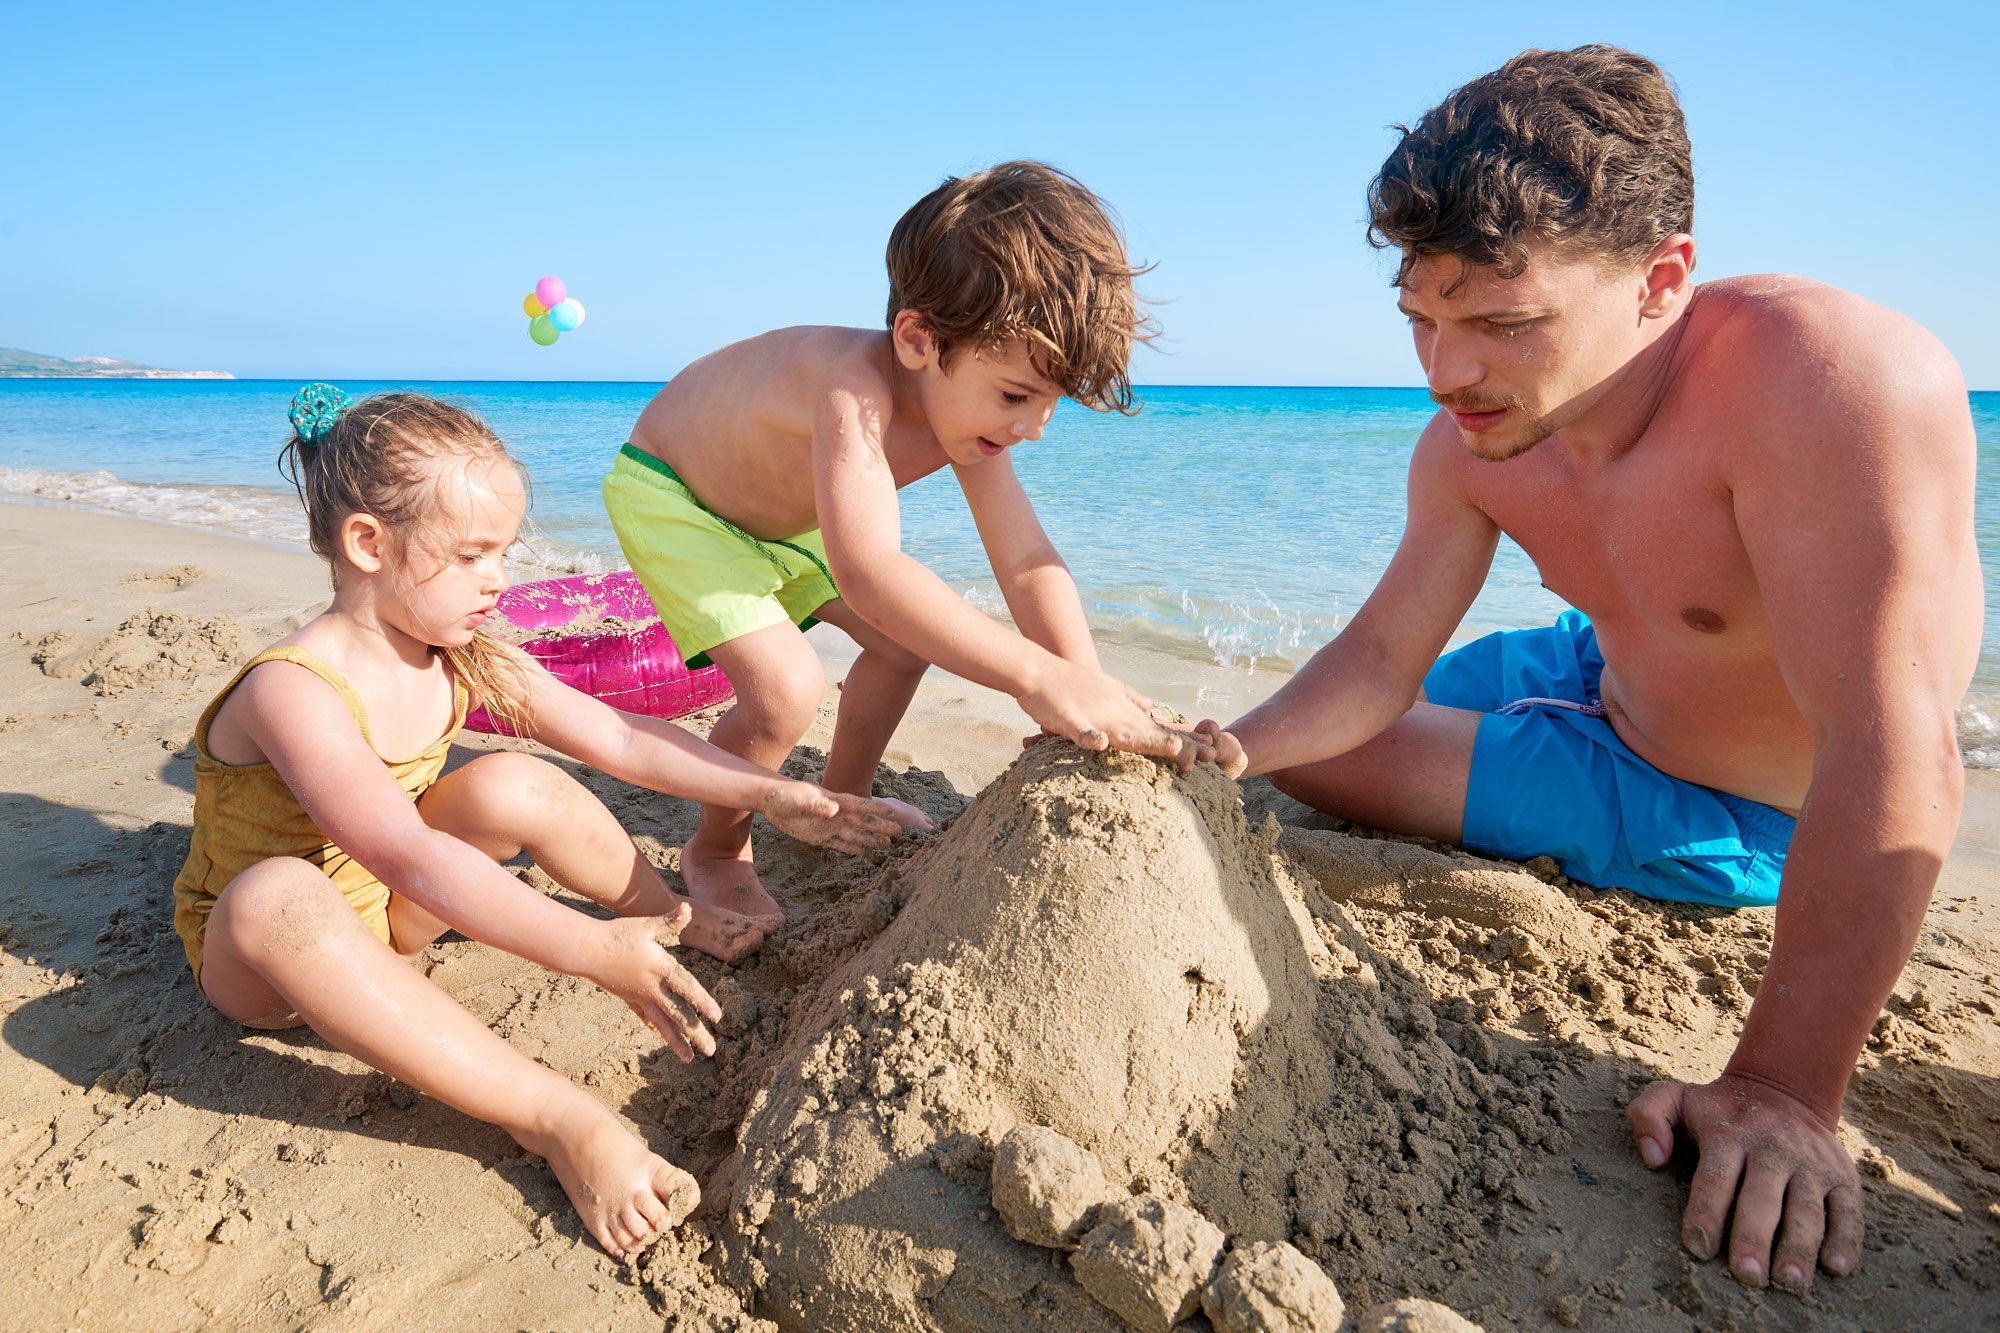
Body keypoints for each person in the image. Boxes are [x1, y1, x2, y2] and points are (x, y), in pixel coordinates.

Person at [1198, 46, 1980, 1294]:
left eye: (1503, 323)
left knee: (1336, 757)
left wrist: (1782, 1088)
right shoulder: (1472, 440)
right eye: (1421, 319)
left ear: (1662, 277)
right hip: (1588, 669)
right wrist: (1213, 755)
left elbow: (1894, 743)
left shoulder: (1828, 383)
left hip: (1728, 798)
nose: (1448, 372)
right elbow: (1380, 652)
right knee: (1295, 728)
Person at [173, 386, 908, 1258]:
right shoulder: (291, 688)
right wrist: (583, 948)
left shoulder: (460, 651)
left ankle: (666, 913)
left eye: (506, 551)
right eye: (474, 554)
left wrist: (778, 793)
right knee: (275, 893)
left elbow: (617, 737)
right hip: (278, 960)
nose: (502, 578)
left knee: (512, 779)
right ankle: (555, 1118)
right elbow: (405, 852)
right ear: (368, 543)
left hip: (392, 909)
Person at [606, 160, 1192, 922]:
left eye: (1051, 404)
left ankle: (841, 802)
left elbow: (1025, 562)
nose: (1032, 426)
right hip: (676, 494)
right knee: (785, 692)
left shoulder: (969, 417)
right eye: (1017, 395)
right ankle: (717, 847)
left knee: (902, 644)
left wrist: (1085, 685)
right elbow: (870, 570)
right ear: (919, 338)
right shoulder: (853, 390)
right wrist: (1032, 677)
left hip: (780, 513)